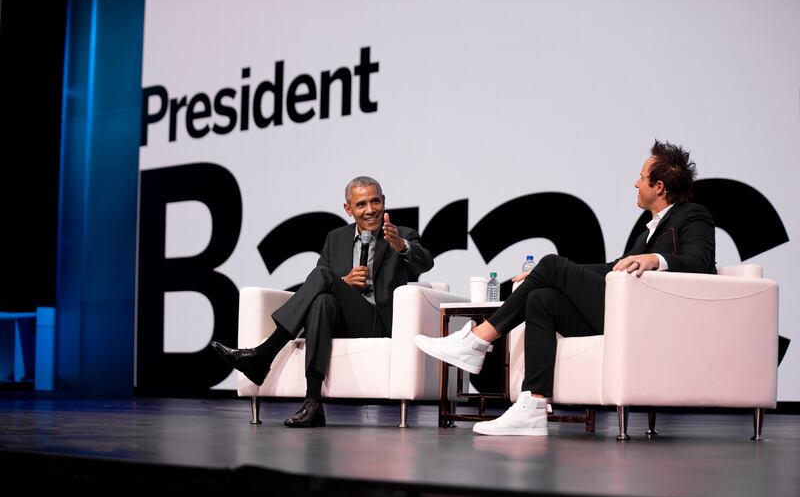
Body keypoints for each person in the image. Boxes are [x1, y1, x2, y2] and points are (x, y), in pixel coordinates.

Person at [414, 140, 716, 436]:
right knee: (542, 299)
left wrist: (656, 259)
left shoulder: (693, 215)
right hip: (624, 313)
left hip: (647, 319)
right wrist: (546, 275)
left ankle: (478, 340)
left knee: (551, 264)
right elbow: (615, 267)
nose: (635, 183)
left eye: (641, 177)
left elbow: (701, 262)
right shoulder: (648, 230)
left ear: (660, 186)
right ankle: (533, 405)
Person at [212, 176, 434, 427]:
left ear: (384, 202)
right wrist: (344, 281)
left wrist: (400, 245)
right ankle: (313, 403)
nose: (370, 210)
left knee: (322, 277)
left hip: (376, 323)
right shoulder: (336, 238)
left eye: (375, 202)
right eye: (361, 204)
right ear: (348, 209)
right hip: (337, 320)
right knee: (321, 303)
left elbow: (425, 262)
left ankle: (264, 355)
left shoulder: (401, 234)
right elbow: (320, 285)